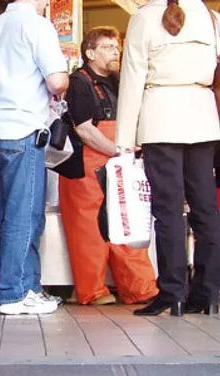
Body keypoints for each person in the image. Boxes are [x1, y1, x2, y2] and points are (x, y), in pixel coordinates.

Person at [116, 0, 220, 316]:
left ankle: (173, 292)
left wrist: (124, 139)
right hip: (203, 117)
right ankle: (209, 292)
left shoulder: (144, 18)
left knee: (168, 210)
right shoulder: (212, 18)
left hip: (159, 117)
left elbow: (132, 79)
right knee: (206, 209)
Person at [0, 0, 68, 315]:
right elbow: (56, 81)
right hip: (20, 126)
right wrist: (64, 78)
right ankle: (16, 292)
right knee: (23, 213)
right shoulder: (37, 26)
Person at [59, 26, 159, 306]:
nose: (116, 51)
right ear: (90, 53)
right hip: (87, 166)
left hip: (118, 161)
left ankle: (140, 288)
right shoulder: (78, 82)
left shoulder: (118, 82)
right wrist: (118, 150)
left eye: (117, 46)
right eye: (107, 47)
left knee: (128, 223)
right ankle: (93, 291)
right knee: (88, 229)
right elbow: (85, 130)